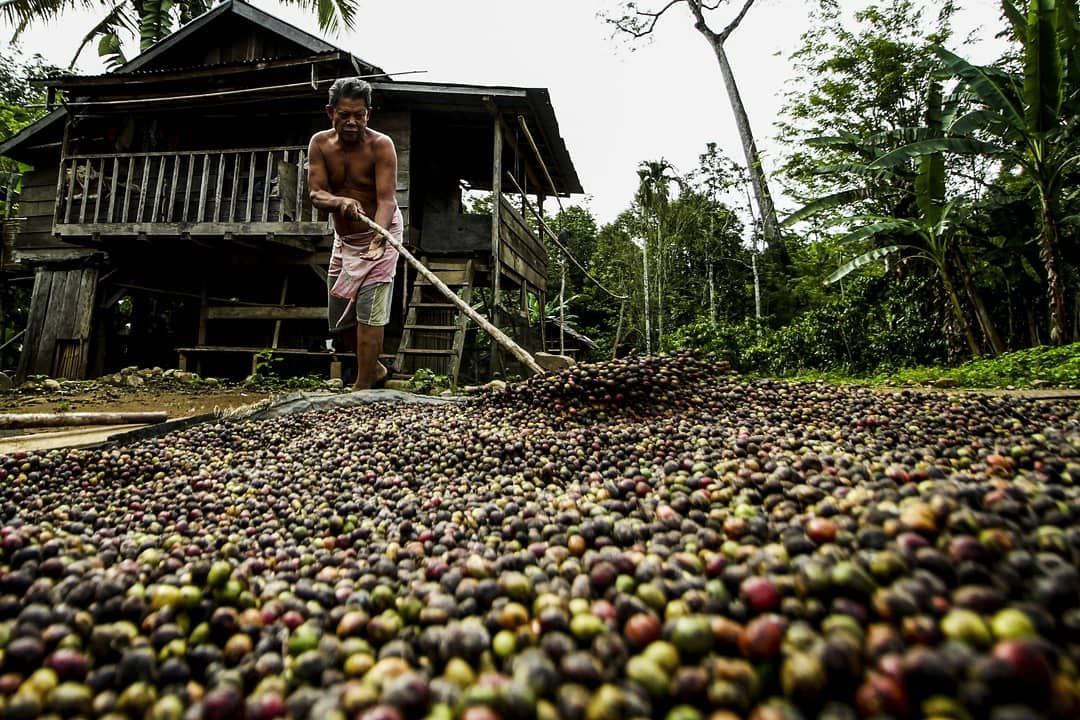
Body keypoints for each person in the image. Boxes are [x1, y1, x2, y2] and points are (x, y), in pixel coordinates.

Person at [308, 77, 401, 390]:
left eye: (358, 115)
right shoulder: (319, 144)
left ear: (368, 115)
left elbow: (387, 200)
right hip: (345, 241)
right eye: (345, 114)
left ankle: (362, 387)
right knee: (340, 318)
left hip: (381, 235)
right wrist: (340, 201)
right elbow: (316, 194)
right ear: (330, 112)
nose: (351, 122)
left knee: (369, 314)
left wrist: (378, 241)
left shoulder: (381, 145)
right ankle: (374, 369)